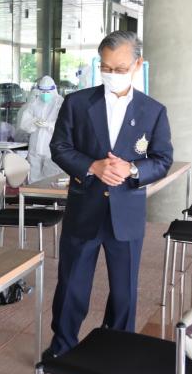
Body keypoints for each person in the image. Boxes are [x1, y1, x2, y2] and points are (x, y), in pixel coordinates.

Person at [46, 31, 173, 356]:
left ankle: (117, 351)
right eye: (105, 68)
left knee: (124, 291)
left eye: (119, 69)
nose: (111, 74)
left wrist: (132, 169)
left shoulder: (153, 110)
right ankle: (62, 347)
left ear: (137, 65)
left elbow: (162, 160)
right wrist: (92, 166)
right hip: (84, 209)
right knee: (72, 285)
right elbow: (59, 147)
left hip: (126, 213)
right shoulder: (77, 103)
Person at [18, 75, 63, 181]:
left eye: (47, 91)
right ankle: (32, 192)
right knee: (33, 176)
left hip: (51, 146)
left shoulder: (60, 103)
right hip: (35, 145)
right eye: (43, 91)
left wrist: (49, 125)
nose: (45, 94)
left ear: (53, 90)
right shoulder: (35, 102)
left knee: (50, 178)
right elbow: (24, 122)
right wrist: (34, 123)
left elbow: (64, 124)